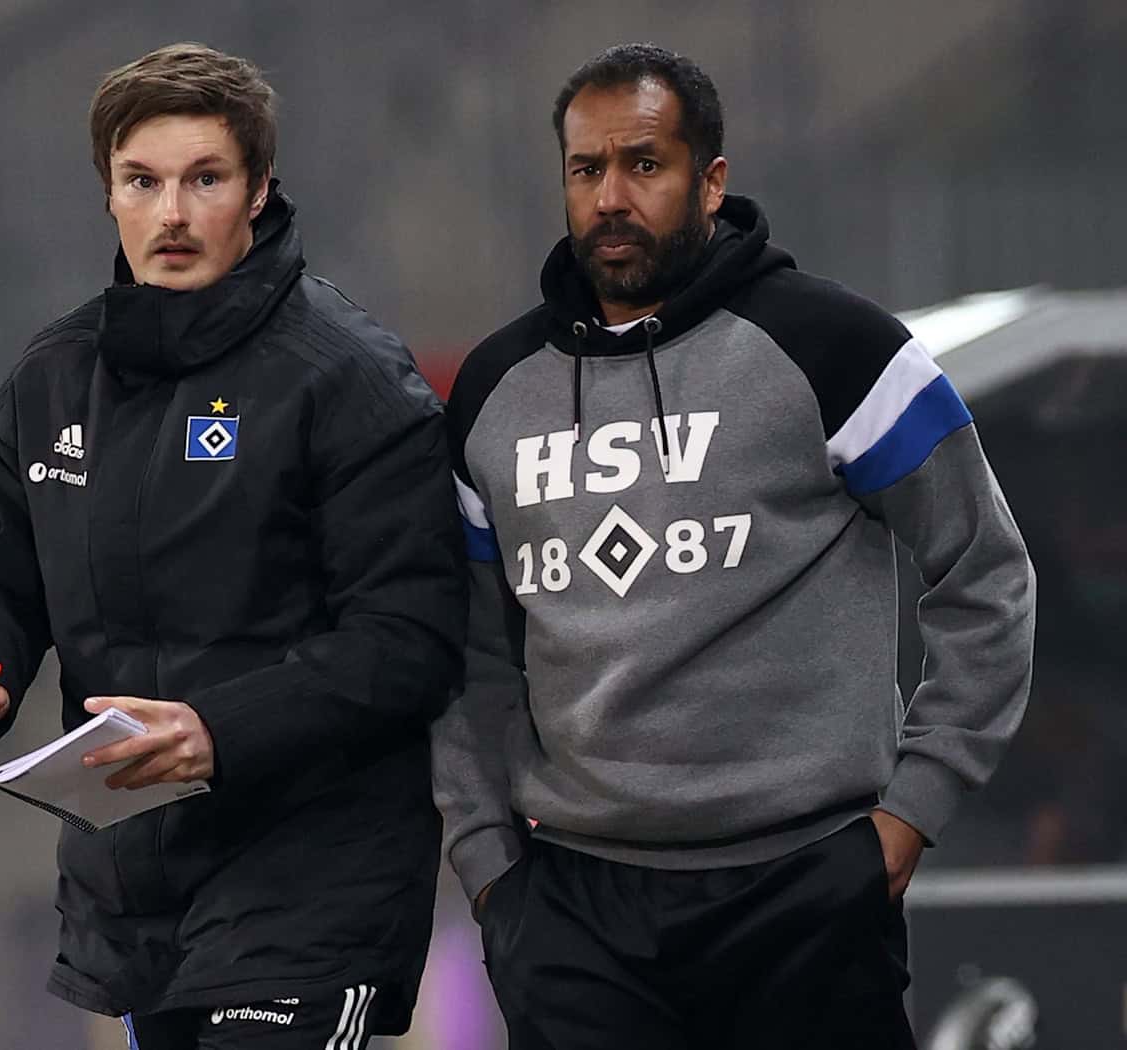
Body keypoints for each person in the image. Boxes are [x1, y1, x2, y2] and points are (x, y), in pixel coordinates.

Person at [431, 43, 1035, 1049]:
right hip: (575, 908)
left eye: (644, 164)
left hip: (806, 887)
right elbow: (466, 656)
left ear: (709, 179)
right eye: (587, 170)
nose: (612, 197)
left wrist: (907, 814)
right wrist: (490, 871)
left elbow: (984, 578)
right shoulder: (493, 393)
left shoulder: (837, 348)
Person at [0, 42, 464, 1050]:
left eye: (204, 179)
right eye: (143, 181)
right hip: (137, 883)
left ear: (258, 192)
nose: (170, 213)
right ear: (108, 193)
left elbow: (410, 639)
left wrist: (219, 729)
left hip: (313, 879)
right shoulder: (52, 378)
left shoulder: (347, 379)